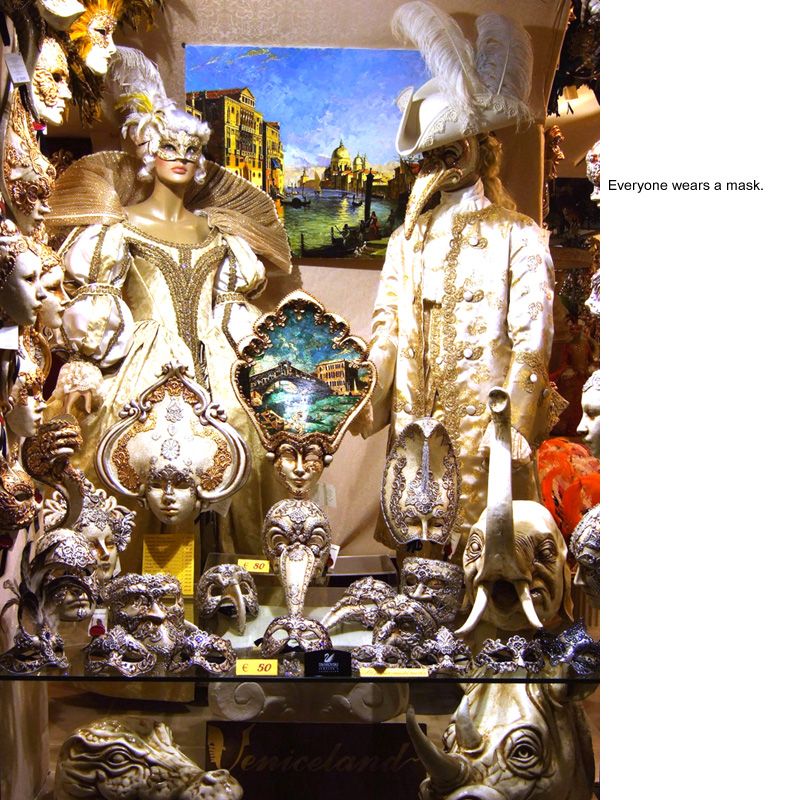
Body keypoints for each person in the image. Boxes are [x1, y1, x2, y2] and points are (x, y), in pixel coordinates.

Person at [46, 49, 291, 555]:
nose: (180, 156)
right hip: (141, 366)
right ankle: (133, 582)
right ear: (148, 153)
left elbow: (235, 315)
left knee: (237, 441)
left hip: (216, 364)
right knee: (138, 452)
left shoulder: (222, 236)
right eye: (168, 146)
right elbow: (97, 310)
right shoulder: (118, 230)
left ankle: (220, 574)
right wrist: (85, 365)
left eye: (191, 149)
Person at [356, 3, 561, 557]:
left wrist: (513, 423)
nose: (436, 166)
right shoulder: (406, 240)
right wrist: (365, 386)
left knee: (486, 547)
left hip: (486, 427)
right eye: (428, 157)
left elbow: (532, 342)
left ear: (476, 148)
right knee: (418, 545)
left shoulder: (518, 235)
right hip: (416, 425)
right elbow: (387, 327)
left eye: (448, 151)